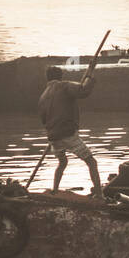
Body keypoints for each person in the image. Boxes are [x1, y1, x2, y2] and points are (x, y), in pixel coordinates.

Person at [38, 66, 103, 198]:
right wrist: (90, 78)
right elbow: (83, 91)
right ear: (60, 77)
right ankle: (100, 194)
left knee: (62, 163)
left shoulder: (43, 96)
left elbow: (44, 119)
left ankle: (55, 191)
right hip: (67, 134)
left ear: (48, 78)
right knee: (91, 162)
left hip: (53, 137)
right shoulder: (64, 86)